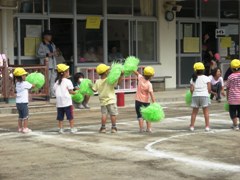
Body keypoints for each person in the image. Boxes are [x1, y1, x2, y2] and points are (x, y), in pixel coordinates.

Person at [92, 64, 123, 133]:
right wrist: (121, 75)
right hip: (111, 100)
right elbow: (119, 83)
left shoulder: (97, 81)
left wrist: (90, 85)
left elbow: (94, 90)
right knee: (113, 114)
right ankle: (113, 128)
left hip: (103, 101)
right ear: (106, 72)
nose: (109, 71)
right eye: (107, 70)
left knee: (104, 114)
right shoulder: (110, 80)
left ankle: (103, 128)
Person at [53, 64, 77, 134]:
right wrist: (76, 92)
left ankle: (60, 129)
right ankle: (72, 128)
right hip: (67, 102)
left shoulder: (57, 82)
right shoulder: (68, 81)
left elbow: (54, 90)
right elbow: (71, 91)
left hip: (59, 103)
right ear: (65, 72)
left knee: (60, 117)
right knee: (70, 116)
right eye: (68, 71)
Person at [189, 62, 211, 132]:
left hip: (195, 96)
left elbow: (191, 89)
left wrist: (193, 94)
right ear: (203, 70)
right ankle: (207, 126)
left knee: (194, 113)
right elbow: (209, 89)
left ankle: (192, 126)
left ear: (195, 70)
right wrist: (208, 94)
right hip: (204, 95)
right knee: (206, 112)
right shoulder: (207, 78)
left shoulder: (193, 78)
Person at [133, 66, 156, 133]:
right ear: (151, 76)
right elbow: (151, 94)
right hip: (146, 102)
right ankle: (148, 128)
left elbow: (136, 72)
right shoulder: (149, 84)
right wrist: (154, 102)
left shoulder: (140, 78)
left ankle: (141, 129)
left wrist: (132, 68)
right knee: (148, 115)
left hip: (138, 101)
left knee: (140, 116)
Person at [37, 30, 59, 98]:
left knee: (53, 80)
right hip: (46, 65)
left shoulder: (52, 44)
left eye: (51, 35)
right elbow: (38, 54)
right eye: (49, 35)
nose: (50, 37)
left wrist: (56, 53)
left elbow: (55, 53)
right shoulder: (41, 44)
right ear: (45, 36)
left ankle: (52, 93)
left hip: (53, 64)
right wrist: (47, 54)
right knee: (47, 80)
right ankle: (45, 94)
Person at [13, 67, 35, 133]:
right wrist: (35, 83)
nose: (25, 76)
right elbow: (32, 86)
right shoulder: (25, 83)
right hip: (24, 103)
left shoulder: (17, 84)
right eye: (24, 75)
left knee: (20, 116)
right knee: (26, 116)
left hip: (18, 103)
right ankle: (25, 128)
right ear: (21, 77)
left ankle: (20, 128)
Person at [226, 59, 240, 131]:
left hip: (233, 99)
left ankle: (235, 125)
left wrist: (227, 97)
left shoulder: (230, 77)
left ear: (231, 68)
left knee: (233, 112)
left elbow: (227, 87)